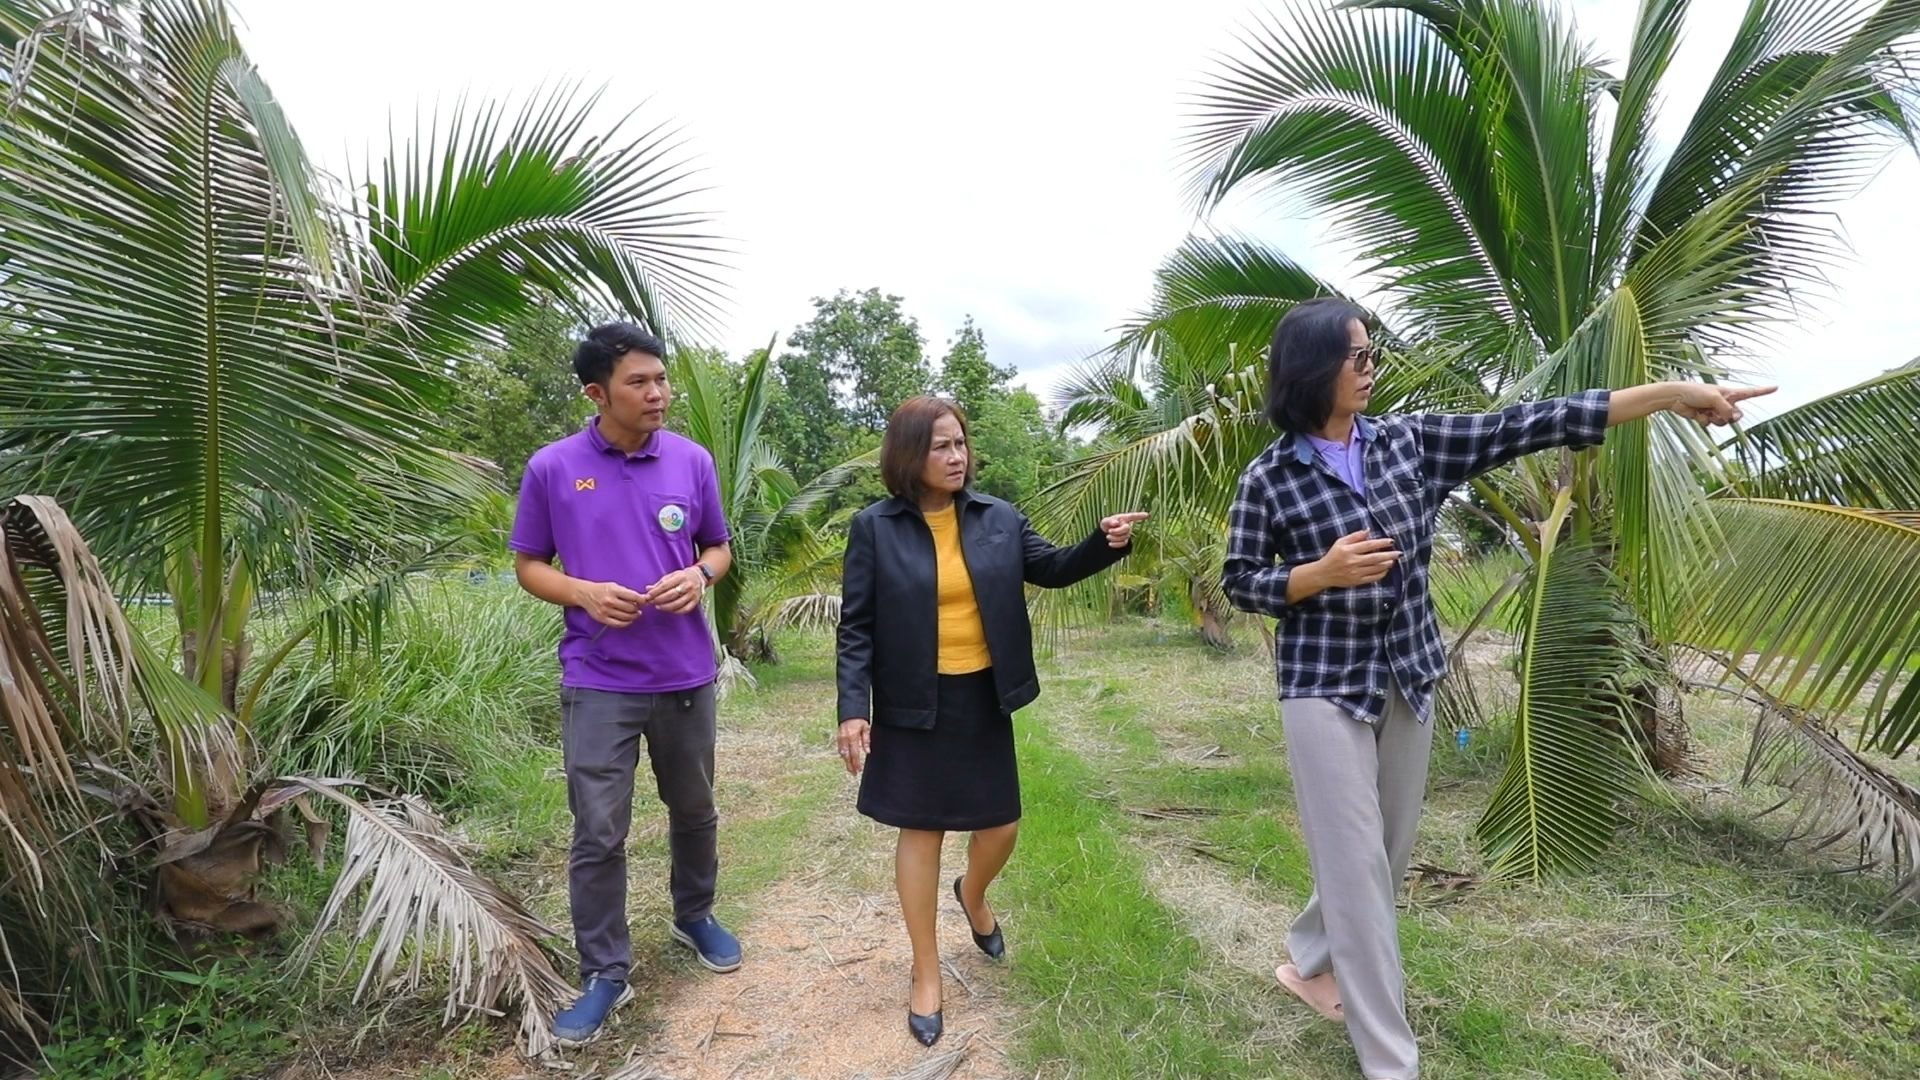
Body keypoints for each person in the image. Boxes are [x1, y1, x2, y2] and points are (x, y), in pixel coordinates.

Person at [1221, 297, 1772, 1079]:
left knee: (1384, 849)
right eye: (1360, 357)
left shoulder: (1410, 444)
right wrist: (1318, 575)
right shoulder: (1269, 478)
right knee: (1355, 867)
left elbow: (1535, 420)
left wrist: (1672, 394)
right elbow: (1241, 582)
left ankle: (1308, 959)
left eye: (1372, 355)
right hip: (1322, 687)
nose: (1373, 369)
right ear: (1315, 369)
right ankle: (1391, 1061)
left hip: (1409, 671)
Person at [834, 395, 1147, 1048]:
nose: (956, 456)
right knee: (920, 832)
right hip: (913, 703)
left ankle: (972, 895)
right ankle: (926, 972)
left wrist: (1104, 542)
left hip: (982, 698)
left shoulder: (998, 518)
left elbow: (1054, 568)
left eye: (960, 443)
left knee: (1000, 826)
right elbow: (856, 626)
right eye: (939, 446)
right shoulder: (875, 527)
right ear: (908, 456)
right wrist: (852, 711)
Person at [510, 322, 744, 1046]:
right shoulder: (553, 467)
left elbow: (719, 545)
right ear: (595, 392)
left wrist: (699, 574)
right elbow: (528, 564)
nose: (659, 393)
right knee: (599, 830)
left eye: (661, 378)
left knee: (694, 806)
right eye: (640, 382)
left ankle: (694, 915)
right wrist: (581, 592)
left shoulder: (692, 461)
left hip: (683, 672)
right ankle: (605, 971)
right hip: (598, 678)